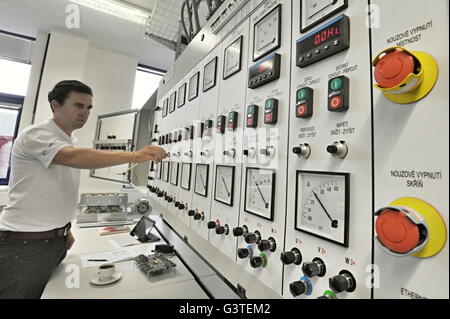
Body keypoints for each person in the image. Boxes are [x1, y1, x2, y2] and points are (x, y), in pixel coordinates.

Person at [0, 80, 166, 299]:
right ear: (55, 105)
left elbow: (54, 190)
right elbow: (72, 157)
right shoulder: (36, 134)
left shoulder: (65, 139)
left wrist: (64, 229)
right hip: (26, 245)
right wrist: (135, 156)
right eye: (78, 105)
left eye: (89, 108)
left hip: (54, 240)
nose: (85, 113)